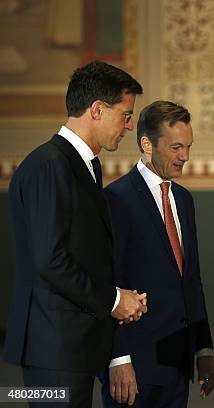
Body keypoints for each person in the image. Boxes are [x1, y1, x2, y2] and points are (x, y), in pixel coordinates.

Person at [5, 61, 147, 407]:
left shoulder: (81, 164)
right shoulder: (49, 165)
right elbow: (49, 260)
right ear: (97, 110)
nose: (129, 126)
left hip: (71, 348)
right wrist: (114, 301)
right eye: (126, 115)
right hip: (54, 351)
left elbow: (84, 254)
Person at [100, 101, 214, 407]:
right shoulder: (116, 199)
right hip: (134, 367)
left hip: (177, 365)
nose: (185, 157)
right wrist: (118, 358)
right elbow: (108, 283)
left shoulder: (183, 199)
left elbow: (191, 281)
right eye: (177, 147)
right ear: (147, 144)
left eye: (189, 146)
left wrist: (203, 350)